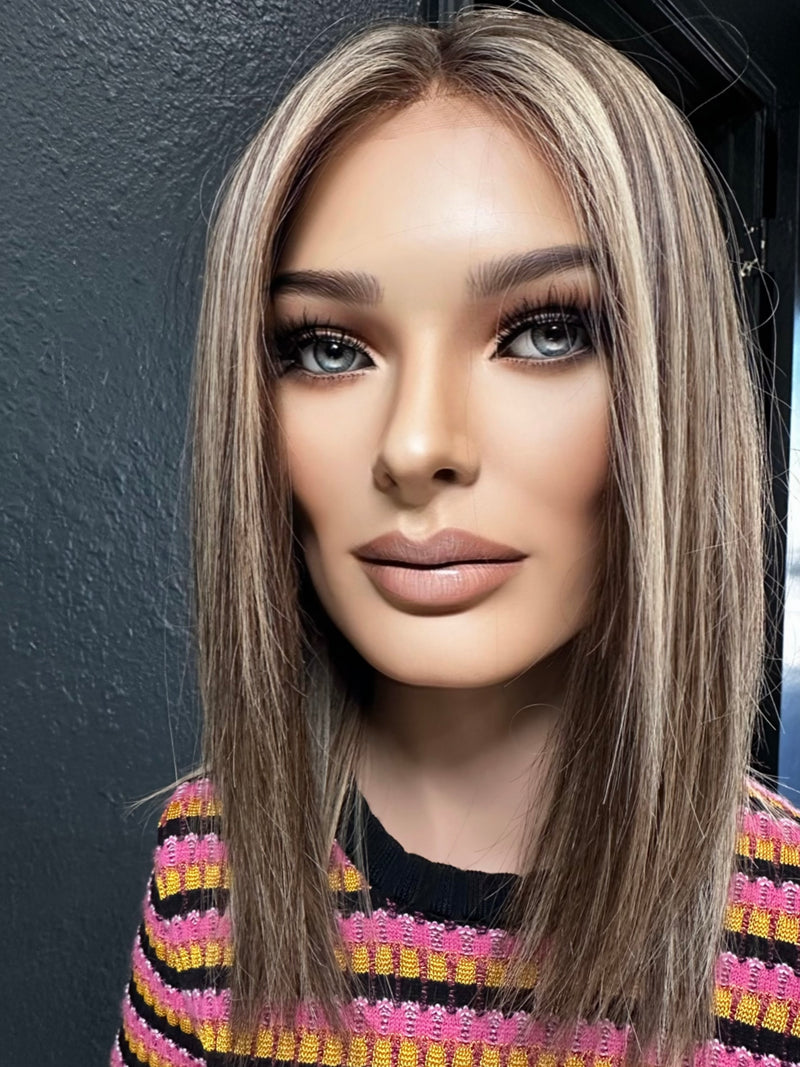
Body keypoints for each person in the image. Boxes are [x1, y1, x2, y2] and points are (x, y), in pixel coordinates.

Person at [110, 9, 800, 1067]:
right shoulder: (210, 863)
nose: (417, 445)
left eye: (546, 331)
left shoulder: (781, 931)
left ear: (670, 389)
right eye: (327, 347)